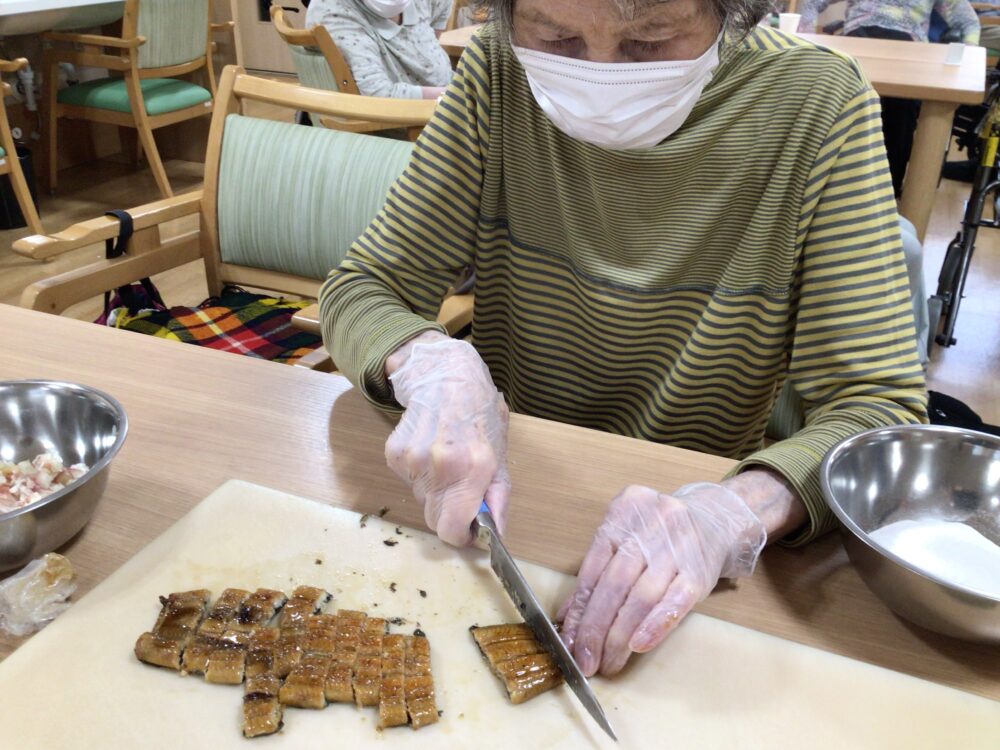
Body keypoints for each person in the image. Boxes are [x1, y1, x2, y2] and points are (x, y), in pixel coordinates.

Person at [319, 0, 928, 678]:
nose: (600, 77)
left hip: (689, 543)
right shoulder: (498, 70)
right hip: (516, 498)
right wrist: (429, 362)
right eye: (555, 37)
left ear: (735, 14)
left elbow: (878, 408)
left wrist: (730, 514)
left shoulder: (817, 104)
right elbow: (364, 286)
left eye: (650, 41)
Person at [798, 0, 980, 196]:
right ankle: (826, 188)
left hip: (908, 48)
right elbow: (811, 3)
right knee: (839, 104)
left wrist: (966, 60)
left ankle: (887, 191)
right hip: (858, 41)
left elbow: (968, 22)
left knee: (901, 110)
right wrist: (810, 45)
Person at [305, 0, 455, 99]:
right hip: (408, 124)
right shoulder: (334, 10)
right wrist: (457, 97)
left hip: (446, 104)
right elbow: (377, 93)